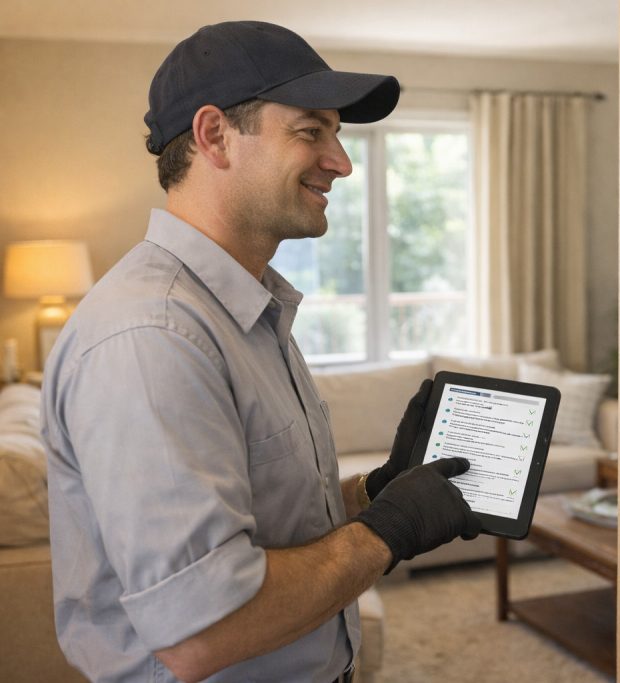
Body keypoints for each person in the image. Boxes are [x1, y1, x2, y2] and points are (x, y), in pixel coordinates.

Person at [40, 21, 481, 683]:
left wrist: (370, 495)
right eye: (311, 131)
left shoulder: (246, 309)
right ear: (214, 134)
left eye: (336, 133)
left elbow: (263, 520)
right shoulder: (153, 336)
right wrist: (388, 532)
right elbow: (202, 630)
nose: (341, 160)